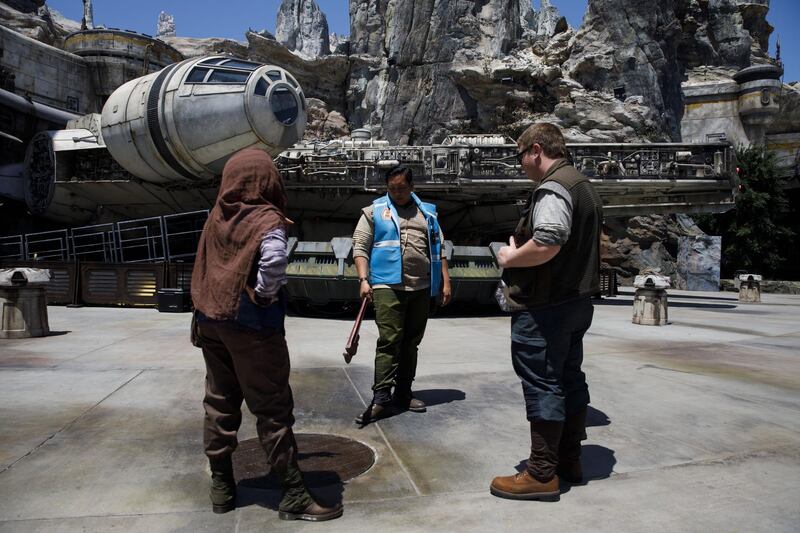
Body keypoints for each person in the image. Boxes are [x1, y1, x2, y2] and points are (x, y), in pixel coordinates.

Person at [191, 148, 342, 521]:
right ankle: (292, 493)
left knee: (220, 402)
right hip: (252, 327)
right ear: (266, 180)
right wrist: (263, 294)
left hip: (210, 320)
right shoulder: (266, 216)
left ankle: (222, 487)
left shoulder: (217, 215)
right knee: (272, 408)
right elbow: (274, 261)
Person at [489, 123, 602, 500]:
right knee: (570, 379)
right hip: (575, 303)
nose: (520, 163)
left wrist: (510, 256)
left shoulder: (554, 187)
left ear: (536, 150)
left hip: (546, 306)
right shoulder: (582, 185)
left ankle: (540, 474)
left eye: (520, 155)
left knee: (542, 382)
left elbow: (548, 241)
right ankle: (569, 460)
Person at [352, 164, 452, 423]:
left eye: (402, 188)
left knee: (411, 343)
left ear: (412, 187)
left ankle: (403, 394)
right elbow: (360, 246)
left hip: (420, 288)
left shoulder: (427, 214)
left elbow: (438, 248)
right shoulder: (374, 211)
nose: (397, 193)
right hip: (387, 286)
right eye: (392, 188)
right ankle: (381, 397)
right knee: (389, 340)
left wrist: (445, 282)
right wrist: (364, 280)